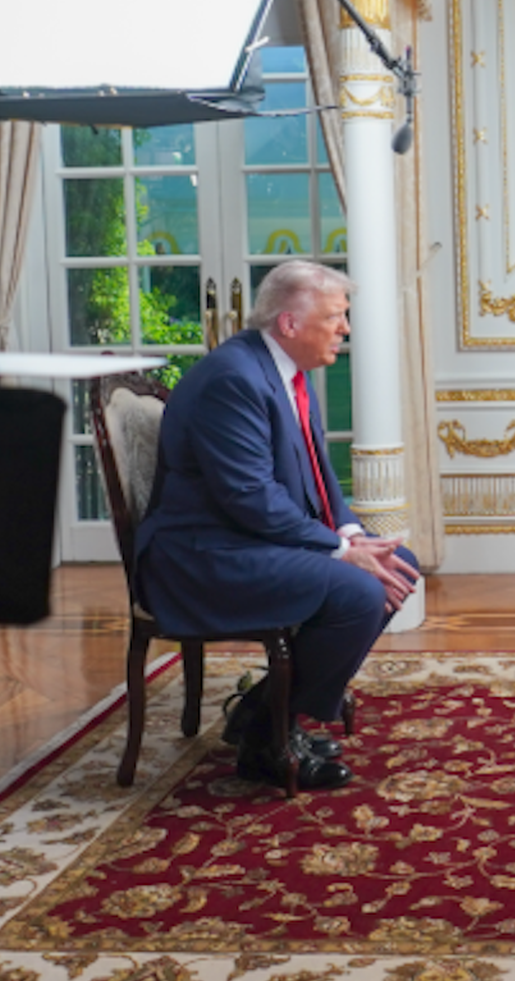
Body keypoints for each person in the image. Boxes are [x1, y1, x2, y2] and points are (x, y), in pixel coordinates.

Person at [136, 260, 420, 791]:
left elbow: (318, 478)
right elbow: (249, 496)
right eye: (336, 316)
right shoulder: (233, 379)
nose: (346, 328)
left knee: (397, 566)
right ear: (289, 323)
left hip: (246, 540)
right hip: (204, 556)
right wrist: (339, 551)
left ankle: (262, 715)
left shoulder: (286, 372)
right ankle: (269, 740)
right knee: (360, 591)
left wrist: (354, 535)